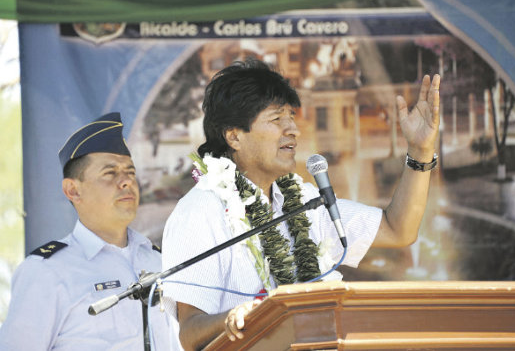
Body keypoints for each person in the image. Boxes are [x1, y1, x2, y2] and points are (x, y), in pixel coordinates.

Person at [161, 59, 440, 350]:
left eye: (291, 116)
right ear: (234, 136)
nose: (293, 128)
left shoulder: (304, 201)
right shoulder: (200, 211)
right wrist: (241, 317)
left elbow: (398, 230)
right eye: (276, 119)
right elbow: (190, 333)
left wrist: (420, 152)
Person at [0, 112, 177, 350]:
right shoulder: (47, 272)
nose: (126, 182)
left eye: (130, 173)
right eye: (110, 173)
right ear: (73, 191)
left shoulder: (158, 260)